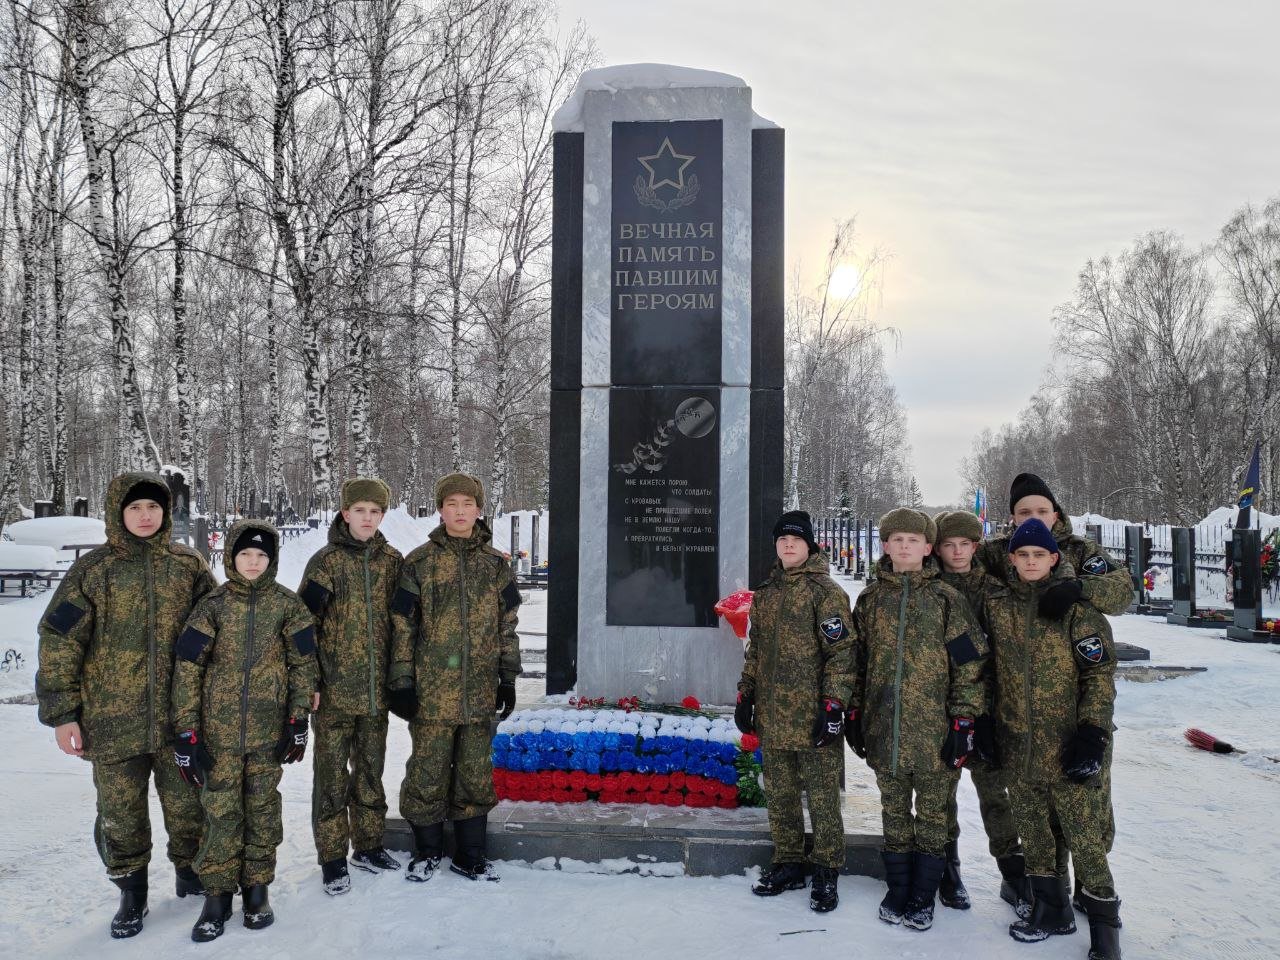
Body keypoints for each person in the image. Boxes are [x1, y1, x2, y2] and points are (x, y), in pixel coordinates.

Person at [36, 472, 216, 938]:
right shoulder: (94, 571)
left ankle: (190, 876)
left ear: (166, 512)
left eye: (153, 508)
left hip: (179, 720)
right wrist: (62, 713)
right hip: (111, 722)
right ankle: (131, 892)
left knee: (189, 805)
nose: (144, 516)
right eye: (135, 508)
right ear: (118, 511)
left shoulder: (189, 566)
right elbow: (60, 639)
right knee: (121, 813)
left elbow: (221, 631)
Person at [975, 472, 1129, 908]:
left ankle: (1089, 890)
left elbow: (1122, 590)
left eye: (1041, 510)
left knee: (1087, 806)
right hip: (1018, 707)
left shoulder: (1080, 553)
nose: (1034, 516)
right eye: (1024, 512)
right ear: (1011, 518)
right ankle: (1048, 891)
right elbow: (960, 567)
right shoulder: (999, 556)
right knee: (1030, 807)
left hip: (1072, 702)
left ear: (1056, 514)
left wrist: (1077, 587)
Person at [171, 520, 317, 942]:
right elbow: (187, 670)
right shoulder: (211, 608)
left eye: (261, 556)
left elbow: (302, 666)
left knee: (262, 812)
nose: (253, 563)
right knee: (219, 814)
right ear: (231, 557)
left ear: (271, 561)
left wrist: (298, 719)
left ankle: (257, 889)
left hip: (267, 736)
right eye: (244, 555)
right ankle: (216, 896)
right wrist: (186, 732)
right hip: (217, 738)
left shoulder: (289, 607)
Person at [849, 508, 987, 932]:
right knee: (893, 811)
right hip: (884, 730)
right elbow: (857, 661)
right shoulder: (871, 600)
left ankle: (925, 895)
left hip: (935, 733)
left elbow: (968, 665)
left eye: (914, 540)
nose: (905, 546)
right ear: (885, 545)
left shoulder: (947, 600)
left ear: (929, 548)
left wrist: (963, 722)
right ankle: (898, 888)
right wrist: (856, 713)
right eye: (897, 539)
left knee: (931, 816)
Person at [389, 473, 521, 882]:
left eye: (467, 503)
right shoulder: (419, 562)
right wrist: (403, 682)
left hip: (480, 691)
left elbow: (508, 625)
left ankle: (471, 854)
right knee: (426, 771)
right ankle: (426, 852)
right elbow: (402, 626)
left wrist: (507, 677)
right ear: (440, 509)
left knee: (475, 773)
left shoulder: (496, 565)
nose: (460, 511)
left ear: (479, 509)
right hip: (432, 694)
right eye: (452, 504)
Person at [735, 510, 854, 913]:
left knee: (821, 798)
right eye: (783, 539)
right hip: (772, 716)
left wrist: (833, 703)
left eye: (796, 540)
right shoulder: (766, 594)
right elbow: (756, 650)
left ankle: (826, 869)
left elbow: (841, 653)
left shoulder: (826, 592)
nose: (789, 546)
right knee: (781, 795)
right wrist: (745, 694)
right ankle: (788, 860)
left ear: (809, 545)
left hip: (812, 717)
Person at [298, 477, 404, 894]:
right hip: (334, 694)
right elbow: (304, 628)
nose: (367, 518)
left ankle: (369, 844)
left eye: (375, 512)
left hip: (376, 695)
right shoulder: (326, 562)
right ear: (345, 513)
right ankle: (331, 856)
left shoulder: (392, 562)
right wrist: (310, 682)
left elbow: (404, 622)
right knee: (330, 777)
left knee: (371, 772)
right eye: (359, 510)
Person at [932, 510, 1027, 914]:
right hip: (940, 708)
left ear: (976, 546)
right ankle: (948, 872)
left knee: (996, 795)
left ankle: (1014, 873)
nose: (957, 552)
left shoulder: (995, 588)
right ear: (937, 548)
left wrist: (989, 711)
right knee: (942, 795)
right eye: (949, 545)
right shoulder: (930, 588)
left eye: (965, 544)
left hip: (989, 708)